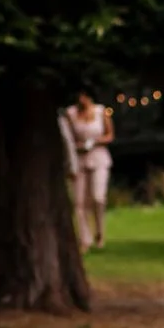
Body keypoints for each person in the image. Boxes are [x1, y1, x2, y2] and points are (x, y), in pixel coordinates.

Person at [61, 90, 114, 251]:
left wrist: (95, 142)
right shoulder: (70, 114)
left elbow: (109, 135)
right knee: (79, 202)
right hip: (79, 159)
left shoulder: (100, 111)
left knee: (98, 197)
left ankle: (100, 232)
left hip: (98, 157)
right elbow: (67, 138)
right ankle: (85, 239)